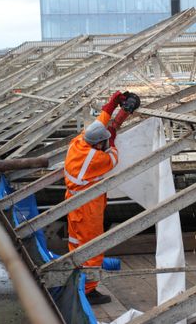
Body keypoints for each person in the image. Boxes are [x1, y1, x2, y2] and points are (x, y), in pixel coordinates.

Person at [64, 90, 140, 305]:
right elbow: (113, 155)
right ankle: (88, 290)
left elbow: (100, 123)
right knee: (93, 247)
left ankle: (77, 277)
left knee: (77, 244)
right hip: (87, 208)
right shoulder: (95, 159)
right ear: (98, 145)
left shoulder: (79, 142)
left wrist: (113, 104)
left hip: (74, 203)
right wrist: (115, 131)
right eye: (103, 143)